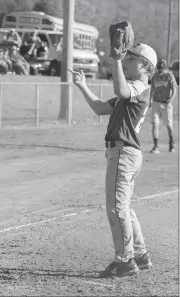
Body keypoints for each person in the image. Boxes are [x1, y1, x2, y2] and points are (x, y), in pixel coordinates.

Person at [71, 40, 157, 278]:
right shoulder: (130, 90)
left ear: (147, 68)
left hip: (124, 152)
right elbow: (100, 108)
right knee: (125, 208)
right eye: (126, 58)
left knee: (116, 209)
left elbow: (120, 90)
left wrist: (117, 60)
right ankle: (139, 256)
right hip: (123, 153)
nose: (127, 61)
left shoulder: (138, 87)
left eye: (132, 59)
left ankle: (125, 261)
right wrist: (82, 86)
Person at [149, 58, 177, 153]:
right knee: (155, 123)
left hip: (166, 104)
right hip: (156, 102)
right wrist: (150, 101)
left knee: (168, 124)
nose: (160, 70)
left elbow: (174, 89)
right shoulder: (155, 76)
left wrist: (171, 100)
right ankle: (155, 146)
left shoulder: (169, 76)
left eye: (162, 69)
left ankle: (171, 143)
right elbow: (152, 89)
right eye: (159, 69)